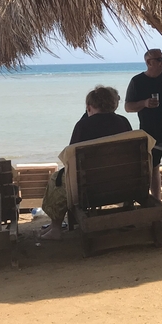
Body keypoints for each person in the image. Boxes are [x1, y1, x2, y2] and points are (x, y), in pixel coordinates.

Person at [40, 86, 132, 240]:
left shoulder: (83, 126)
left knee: (55, 180)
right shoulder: (123, 122)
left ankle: (56, 227)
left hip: (90, 187)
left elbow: (70, 158)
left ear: (89, 107)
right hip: (122, 182)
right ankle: (53, 226)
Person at [124, 48, 162, 202]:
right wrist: (145, 103)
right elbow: (128, 107)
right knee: (153, 166)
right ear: (149, 62)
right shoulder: (137, 81)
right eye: (159, 60)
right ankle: (156, 201)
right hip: (148, 129)